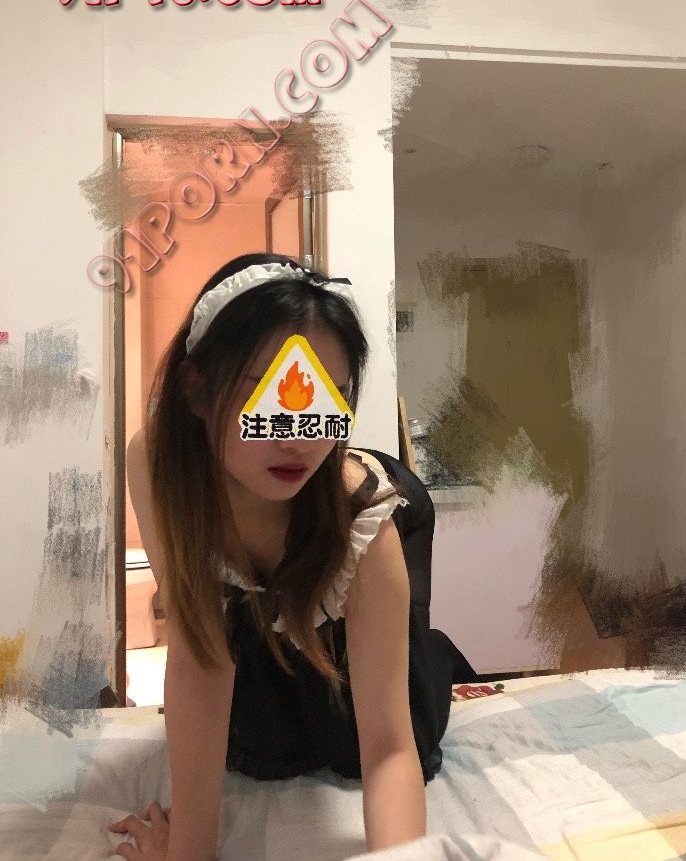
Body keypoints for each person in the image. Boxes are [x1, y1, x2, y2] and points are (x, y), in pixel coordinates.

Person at [108, 252, 477, 861]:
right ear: (196, 388)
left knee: (396, 707)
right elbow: (201, 655)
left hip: (358, 581)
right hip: (264, 610)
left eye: (325, 396)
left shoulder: (366, 523)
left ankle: (434, 652)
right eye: (267, 392)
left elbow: (388, 746)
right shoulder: (159, 466)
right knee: (256, 746)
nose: (297, 434)